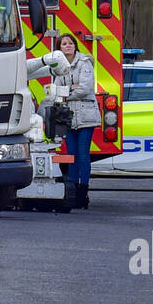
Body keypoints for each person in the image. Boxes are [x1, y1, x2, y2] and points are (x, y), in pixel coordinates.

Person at [57, 31, 100, 211]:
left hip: (86, 115)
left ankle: (84, 193)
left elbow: (85, 88)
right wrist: (67, 90)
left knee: (83, 155)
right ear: (59, 48)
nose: (68, 46)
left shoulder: (84, 63)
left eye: (71, 43)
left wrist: (65, 93)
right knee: (72, 156)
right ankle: (74, 193)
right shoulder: (58, 66)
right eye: (64, 43)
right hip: (69, 116)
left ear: (75, 46)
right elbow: (56, 88)